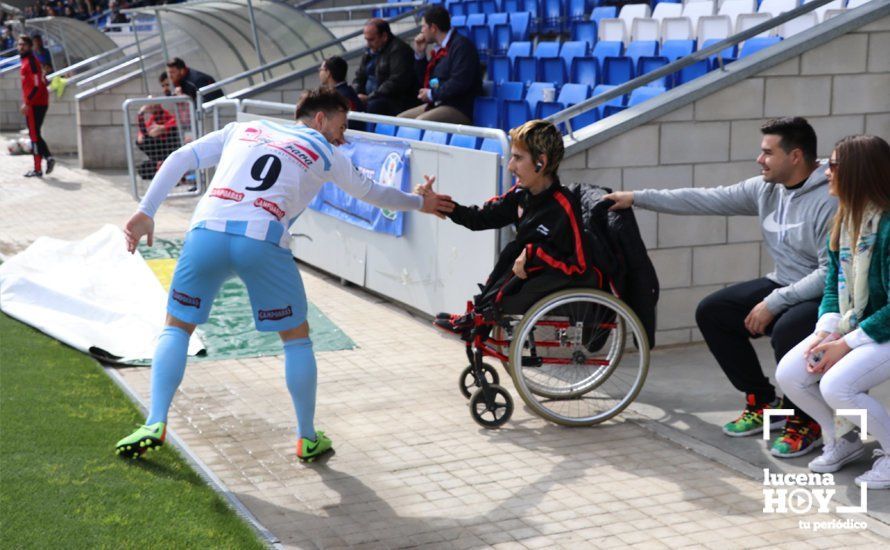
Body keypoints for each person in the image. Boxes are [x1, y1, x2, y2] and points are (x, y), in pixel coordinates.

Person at [115, 88, 454, 462]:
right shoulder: (327, 152)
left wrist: (147, 210)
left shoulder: (243, 128)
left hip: (206, 233)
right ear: (320, 119)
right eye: (341, 126)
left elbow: (181, 158)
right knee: (296, 339)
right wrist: (421, 201)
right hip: (261, 241)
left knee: (177, 327)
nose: (343, 137)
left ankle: (155, 420)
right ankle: (307, 437)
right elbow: (372, 193)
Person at [604, 117, 837, 458]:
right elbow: (704, 198)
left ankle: (807, 421)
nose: (760, 160)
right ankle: (763, 402)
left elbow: (829, 273)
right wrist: (637, 198)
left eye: (767, 153)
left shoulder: (829, 200)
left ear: (796, 156)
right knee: (714, 312)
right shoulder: (766, 189)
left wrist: (774, 301)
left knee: (789, 331)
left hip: (823, 295)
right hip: (783, 282)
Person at [776, 135, 890, 488]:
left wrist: (845, 344)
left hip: (881, 329)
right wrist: (827, 332)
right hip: (856, 325)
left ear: (858, 172)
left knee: (838, 385)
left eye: (834, 165)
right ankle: (844, 440)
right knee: (791, 374)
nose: (826, 171)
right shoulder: (845, 220)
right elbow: (832, 286)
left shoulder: (886, 226)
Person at [432, 120, 593, 335]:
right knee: (513, 250)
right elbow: (480, 218)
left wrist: (533, 253)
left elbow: (579, 266)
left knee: (518, 250)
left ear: (540, 163)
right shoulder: (520, 194)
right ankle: (479, 315)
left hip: (555, 280)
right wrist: (447, 207)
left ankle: (480, 317)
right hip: (525, 272)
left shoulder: (563, 206)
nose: (510, 166)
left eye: (517, 158)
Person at [399, 5, 482, 125]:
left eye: (423, 26)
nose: (421, 31)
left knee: (420, 122)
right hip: (438, 103)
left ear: (433, 28)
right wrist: (420, 55)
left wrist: (432, 94)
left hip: (459, 107)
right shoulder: (439, 49)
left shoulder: (461, 46)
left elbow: (459, 82)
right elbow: (430, 81)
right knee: (400, 120)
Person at [352, 18, 418, 117]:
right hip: (372, 96)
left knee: (374, 106)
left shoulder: (399, 50)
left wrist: (370, 97)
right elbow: (359, 76)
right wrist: (356, 95)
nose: (368, 44)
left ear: (384, 36)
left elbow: (395, 82)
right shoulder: (369, 51)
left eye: (371, 39)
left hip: (394, 100)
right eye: (366, 39)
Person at [17, 36, 54, 178]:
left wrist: (28, 103)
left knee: (34, 135)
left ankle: (38, 168)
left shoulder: (31, 62)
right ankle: (48, 158)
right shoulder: (28, 61)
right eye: (19, 45)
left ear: (30, 46)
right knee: (35, 134)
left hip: (35, 104)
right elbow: (42, 80)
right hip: (36, 103)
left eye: (23, 45)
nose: (20, 47)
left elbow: (37, 86)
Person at [318, 56, 366, 132]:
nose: (319, 73)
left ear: (328, 73)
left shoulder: (338, 96)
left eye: (321, 70)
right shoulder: (347, 91)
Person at [136, 101, 181, 179]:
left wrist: (163, 127)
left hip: (168, 147)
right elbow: (145, 131)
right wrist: (141, 114)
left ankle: (161, 164)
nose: (149, 108)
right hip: (157, 150)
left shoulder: (165, 115)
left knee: (147, 139)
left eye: (151, 106)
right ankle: (158, 163)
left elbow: (175, 122)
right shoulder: (153, 118)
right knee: (141, 141)